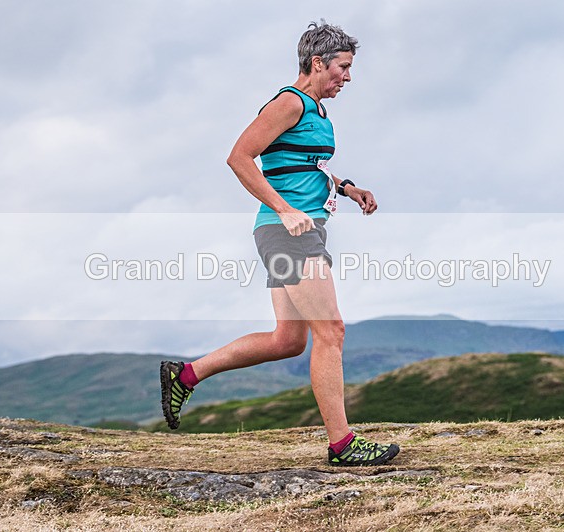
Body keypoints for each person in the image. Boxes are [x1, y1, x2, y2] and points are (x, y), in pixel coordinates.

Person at [160, 21, 399, 467]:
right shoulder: (290, 102)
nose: (347, 77)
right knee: (331, 330)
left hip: (290, 232)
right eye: (343, 68)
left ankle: (187, 374)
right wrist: (285, 209)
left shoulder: (316, 110)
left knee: (288, 340)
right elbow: (239, 156)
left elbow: (303, 165)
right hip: (288, 233)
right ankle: (343, 445)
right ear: (317, 63)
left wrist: (346, 187)